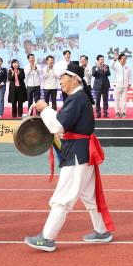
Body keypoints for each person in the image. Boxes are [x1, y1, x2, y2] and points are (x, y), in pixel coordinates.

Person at [25, 62, 114, 252]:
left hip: (76, 154)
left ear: (74, 78)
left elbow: (58, 126)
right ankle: (102, 231)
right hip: (83, 153)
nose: (60, 82)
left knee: (62, 198)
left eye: (62, 78)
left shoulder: (76, 98)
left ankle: (47, 238)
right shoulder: (80, 97)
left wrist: (46, 109)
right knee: (89, 197)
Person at [111, 53, 131, 118]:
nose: (125, 60)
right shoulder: (116, 65)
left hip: (125, 86)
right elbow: (111, 66)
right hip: (117, 85)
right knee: (116, 100)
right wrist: (114, 59)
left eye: (125, 59)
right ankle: (117, 112)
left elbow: (130, 76)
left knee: (124, 100)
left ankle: (123, 112)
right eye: (123, 59)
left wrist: (129, 84)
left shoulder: (127, 66)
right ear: (120, 59)